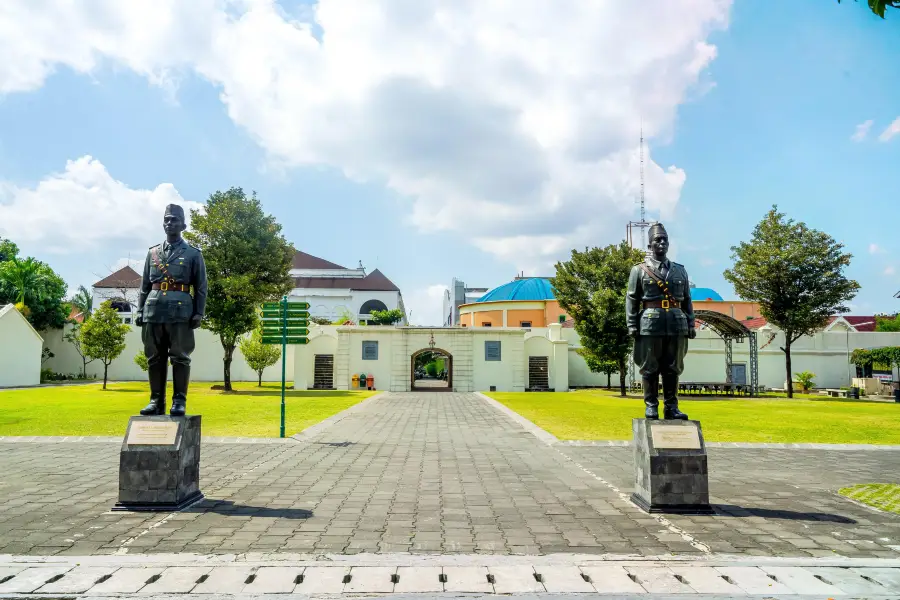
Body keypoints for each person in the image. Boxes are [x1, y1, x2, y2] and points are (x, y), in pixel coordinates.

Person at [135, 204, 208, 417]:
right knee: (154, 358)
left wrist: (198, 312)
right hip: (154, 309)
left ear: (183, 225)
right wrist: (140, 311)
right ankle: (155, 401)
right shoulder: (153, 253)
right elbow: (144, 286)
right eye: (167, 219)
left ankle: (179, 401)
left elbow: (201, 286)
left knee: (180, 357)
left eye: (174, 219)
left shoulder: (193, 254)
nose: (170, 223)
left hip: (181, 312)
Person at [625, 223, 696, 420]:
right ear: (650, 245)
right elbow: (632, 299)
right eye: (657, 240)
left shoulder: (680, 271)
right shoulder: (639, 271)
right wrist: (631, 324)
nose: (662, 243)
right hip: (650, 324)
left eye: (664, 239)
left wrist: (691, 323)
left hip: (676, 323)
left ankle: (671, 408)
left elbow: (687, 300)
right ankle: (651, 406)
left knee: (673, 368)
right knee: (650, 367)